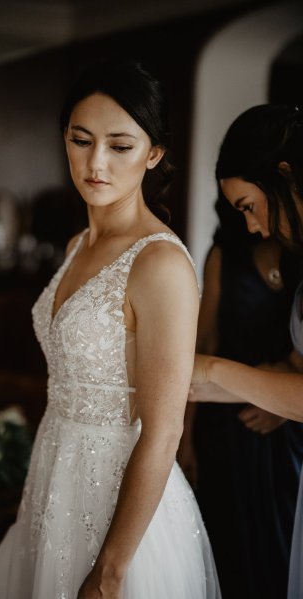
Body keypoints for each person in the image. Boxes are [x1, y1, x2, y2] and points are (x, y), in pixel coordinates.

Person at [0, 60, 220, 598]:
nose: (96, 162)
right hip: (53, 478)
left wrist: (110, 572)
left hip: (121, 502)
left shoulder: (161, 265)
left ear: (154, 154)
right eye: (81, 140)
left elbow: (164, 430)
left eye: (120, 145)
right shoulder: (76, 246)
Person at [189, 104, 303, 599]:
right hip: (233, 440)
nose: (253, 225)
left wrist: (212, 370)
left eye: (249, 205)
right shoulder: (231, 258)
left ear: (283, 174)